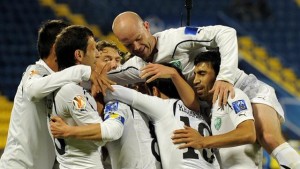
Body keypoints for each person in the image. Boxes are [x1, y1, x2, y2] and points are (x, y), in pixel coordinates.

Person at [112, 11, 300, 169]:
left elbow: (226, 32)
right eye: (128, 45)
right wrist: (85, 73)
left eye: (138, 39)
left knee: (267, 136)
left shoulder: (177, 38)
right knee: (233, 158)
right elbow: (106, 77)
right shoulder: (136, 67)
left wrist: (225, 77)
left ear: (146, 26)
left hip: (241, 88)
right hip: (213, 106)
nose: (136, 47)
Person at [0, 20, 113, 169]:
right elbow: (34, 91)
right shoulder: (35, 72)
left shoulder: (65, 82)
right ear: (56, 47)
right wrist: (82, 71)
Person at [51, 25, 159, 169]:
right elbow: (105, 134)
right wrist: (67, 131)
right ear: (79, 55)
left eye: (117, 60)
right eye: (106, 59)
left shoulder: (69, 89)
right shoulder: (74, 92)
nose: (114, 65)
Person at [104, 64, 220, 169]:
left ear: (154, 91)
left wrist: (92, 76)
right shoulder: (201, 113)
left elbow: (112, 91)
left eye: (145, 90)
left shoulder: (164, 107)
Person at [168, 51, 260, 168]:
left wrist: (203, 141)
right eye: (195, 74)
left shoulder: (232, 95)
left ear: (218, 75)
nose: (196, 80)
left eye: (202, 73)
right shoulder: (209, 108)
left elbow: (248, 133)